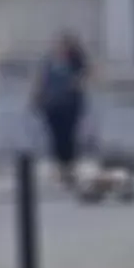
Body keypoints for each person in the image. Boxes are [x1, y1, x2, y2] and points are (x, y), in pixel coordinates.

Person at [35, 33, 88, 187]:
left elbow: (85, 77)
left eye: (63, 44)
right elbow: (41, 79)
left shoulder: (75, 62)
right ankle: (60, 168)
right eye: (58, 44)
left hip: (69, 105)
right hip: (51, 105)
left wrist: (76, 83)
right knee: (55, 137)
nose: (59, 47)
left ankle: (69, 168)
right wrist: (37, 96)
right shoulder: (49, 61)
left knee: (68, 136)